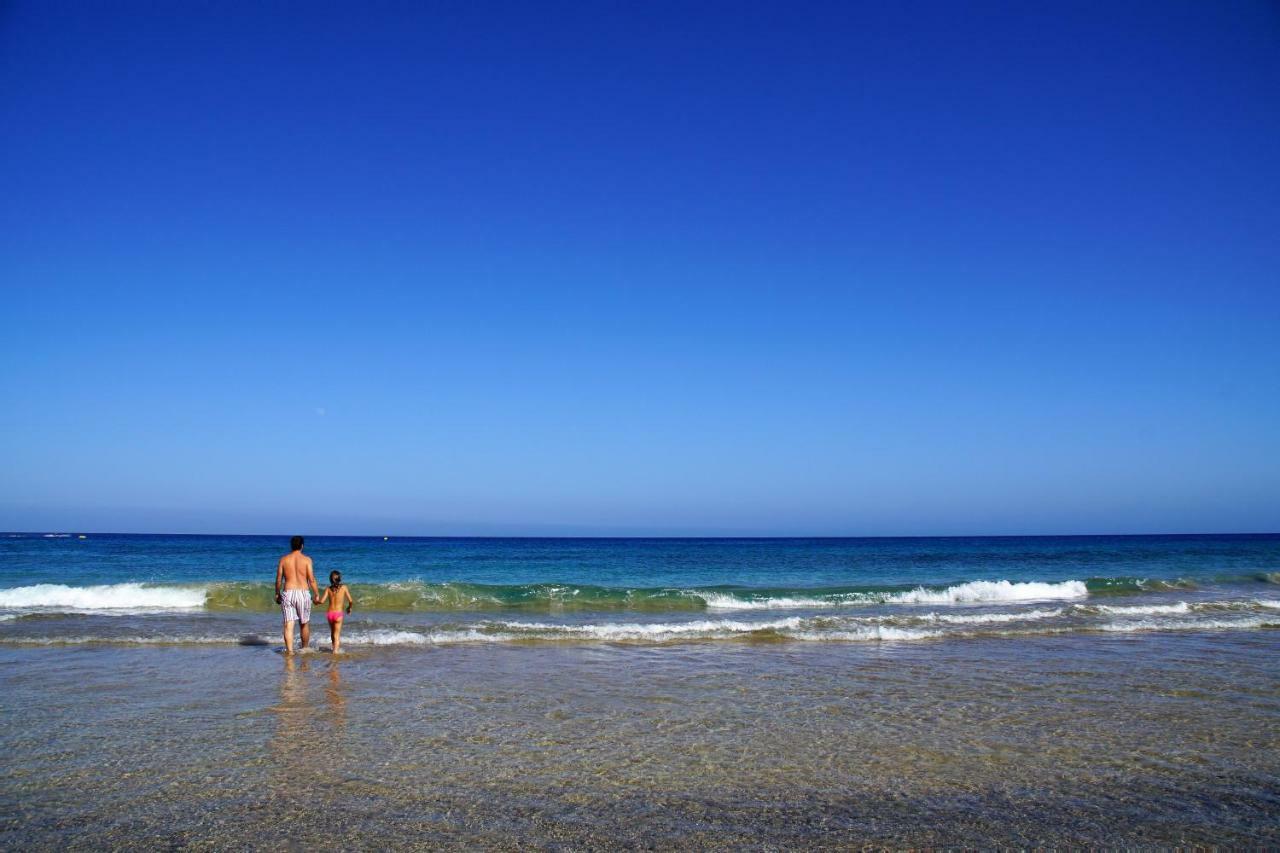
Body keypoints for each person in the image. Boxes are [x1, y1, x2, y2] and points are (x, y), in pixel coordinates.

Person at [274, 535, 319, 654]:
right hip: (303, 593)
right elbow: (311, 579)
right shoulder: (307, 560)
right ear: (302, 546)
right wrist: (316, 594)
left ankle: (290, 652)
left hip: (288, 593)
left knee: (288, 624)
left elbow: (279, 579)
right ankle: (304, 649)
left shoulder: (283, 560)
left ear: (291, 546)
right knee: (304, 623)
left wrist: (277, 593)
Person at [318, 570, 355, 653]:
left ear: (330, 580)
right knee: (337, 635)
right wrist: (349, 608)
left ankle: (333, 648)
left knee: (332, 633)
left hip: (330, 614)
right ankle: (335, 652)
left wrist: (315, 601)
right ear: (339, 579)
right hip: (338, 614)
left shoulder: (328, 589)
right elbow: (351, 600)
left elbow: (322, 601)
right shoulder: (344, 587)